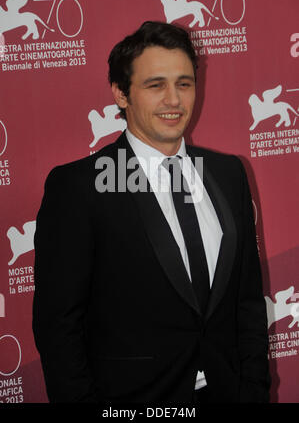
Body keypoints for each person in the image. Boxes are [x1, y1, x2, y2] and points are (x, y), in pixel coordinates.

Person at [32, 21, 270, 404]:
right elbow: (59, 328)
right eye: (155, 85)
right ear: (121, 94)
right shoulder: (79, 188)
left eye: (184, 83)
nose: (174, 100)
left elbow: (247, 302)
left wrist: (254, 391)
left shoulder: (228, 175)